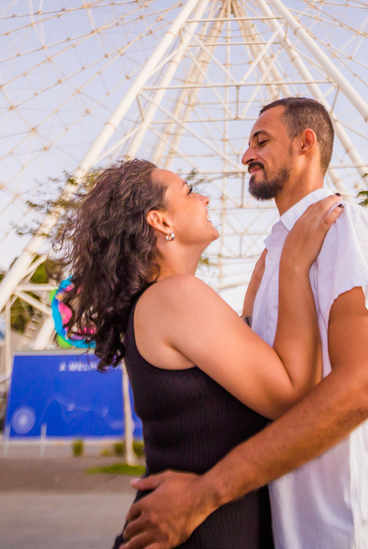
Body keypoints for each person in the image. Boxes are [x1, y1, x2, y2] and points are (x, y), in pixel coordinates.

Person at [121, 97, 368, 549]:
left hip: (332, 527)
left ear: (306, 144)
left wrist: (202, 496)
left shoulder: (341, 226)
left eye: (261, 141)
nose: (246, 155)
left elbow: (364, 383)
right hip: (277, 526)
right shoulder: (275, 256)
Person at [56, 157, 343, 548]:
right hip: (202, 533)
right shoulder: (176, 297)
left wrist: (251, 307)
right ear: (160, 221)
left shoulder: (160, 302)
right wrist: (294, 266)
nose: (205, 197)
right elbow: (291, 395)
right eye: (189, 192)